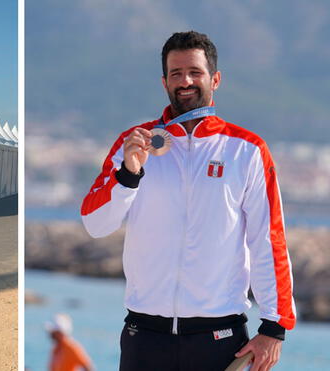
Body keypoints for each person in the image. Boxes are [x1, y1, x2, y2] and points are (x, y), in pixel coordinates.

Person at [80, 31, 295, 371]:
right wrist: (128, 176)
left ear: (215, 79)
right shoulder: (134, 142)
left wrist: (274, 326)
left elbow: (269, 239)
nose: (186, 81)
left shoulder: (247, 149)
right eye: (176, 73)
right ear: (164, 81)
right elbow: (94, 224)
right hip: (144, 336)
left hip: (220, 340)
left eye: (195, 72)